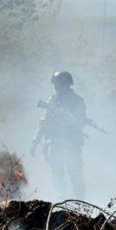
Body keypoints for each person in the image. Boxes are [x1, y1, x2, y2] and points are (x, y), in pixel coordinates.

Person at [31, 71, 88, 199]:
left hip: (72, 144)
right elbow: (44, 122)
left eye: (59, 85)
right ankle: (61, 201)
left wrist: (68, 117)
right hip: (55, 144)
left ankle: (81, 204)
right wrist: (35, 142)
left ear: (66, 85)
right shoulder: (53, 100)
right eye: (56, 85)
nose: (57, 88)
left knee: (75, 174)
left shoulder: (77, 101)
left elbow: (81, 123)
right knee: (57, 175)